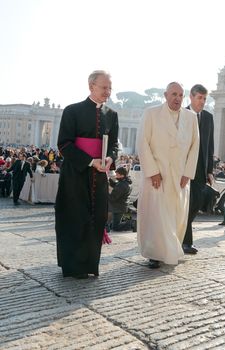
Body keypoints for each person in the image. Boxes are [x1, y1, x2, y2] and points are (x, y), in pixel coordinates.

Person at [55, 70, 119, 279]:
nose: (107, 92)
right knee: (75, 217)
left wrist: (110, 158)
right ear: (91, 86)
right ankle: (73, 266)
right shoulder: (72, 111)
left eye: (110, 88)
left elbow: (114, 146)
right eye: (104, 87)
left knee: (96, 217)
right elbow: (64, 144)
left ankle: (91, 264)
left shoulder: (112, 114)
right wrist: (90, 161)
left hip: (99, 176)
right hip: (75, 174)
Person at [136, 82, 199, 268]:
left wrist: (188, 173)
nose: (177, 98)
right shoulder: (151, 114)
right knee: (157, 215)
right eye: (173, 94)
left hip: (180, 177)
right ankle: (154, 253)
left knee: (176, 215)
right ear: (165, 95)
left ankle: (172, 249)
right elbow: (142, 143)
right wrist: (152, 171)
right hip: (157, 176)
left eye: (181, 95)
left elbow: (195, 147)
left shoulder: (191, 117)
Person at [182, 84, 214, 254]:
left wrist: (210, 170)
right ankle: (186, 242)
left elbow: (210, 146)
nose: (202, 101)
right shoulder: (181, 115)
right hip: (184, 168)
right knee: (185, 205)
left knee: (195, 204)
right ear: (191, 97)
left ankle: (182, 238)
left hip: (201, 169)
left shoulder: (208, 117)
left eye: (204, 99)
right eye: (199, 98)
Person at [108, 166, 132, 231]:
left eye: (117, 174)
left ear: (122, 175)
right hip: (120, 206)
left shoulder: (122, 185)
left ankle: (132, 224)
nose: (116, 175)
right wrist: (109, 180)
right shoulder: (124, 182)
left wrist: (104, 194)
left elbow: (112, 197)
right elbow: (116, 185)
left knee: (115, 227)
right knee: (114, 225)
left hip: (118, 208)